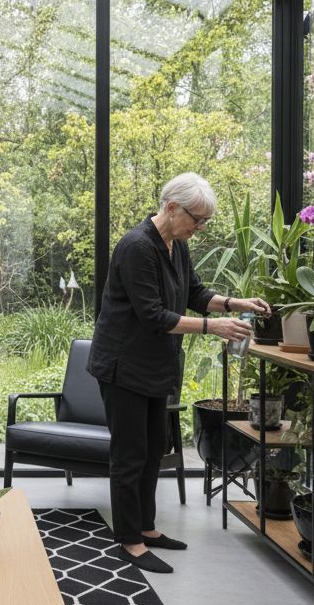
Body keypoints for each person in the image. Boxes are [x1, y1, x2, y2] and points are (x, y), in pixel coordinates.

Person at [88, 173, 269, 574]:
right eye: (197, 219)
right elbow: (153, 315)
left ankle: (147, 528)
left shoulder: (176, 245)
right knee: (130, 455)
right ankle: (129, 541)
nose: (200, 228)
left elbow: (195, 294)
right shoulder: (136, 247)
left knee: (154, 450)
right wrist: (213, 328)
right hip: (123, 366)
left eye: (205, 221)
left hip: (155, 366)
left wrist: (239, 303)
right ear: (171, 207)